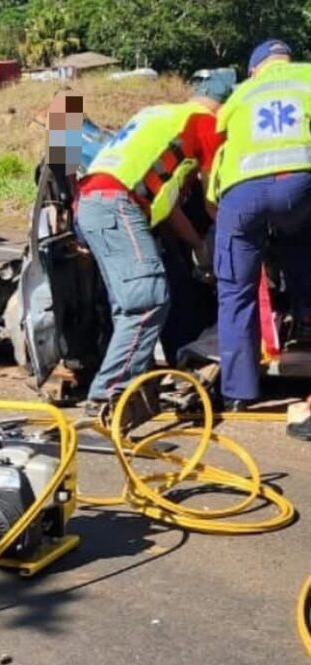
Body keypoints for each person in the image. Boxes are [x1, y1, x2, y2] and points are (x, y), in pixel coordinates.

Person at [73, 74, 234, 419]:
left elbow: (168, 205)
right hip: (118, 204)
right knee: (147, 299)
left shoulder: (157, 115)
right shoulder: (206, 122)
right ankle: (107, 396)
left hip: (93, 204)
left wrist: (196, 245)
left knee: (128, 306)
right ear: (224, 107)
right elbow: (212, 200)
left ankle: (130, 395)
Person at [210, 40, 311, 411]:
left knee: (235, 293)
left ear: (254, 69)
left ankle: (238, 393)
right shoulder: (307, 76)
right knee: (299, 236)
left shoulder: (238, 95)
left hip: (241, 194)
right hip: (301, 182)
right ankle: (304, 320)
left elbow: (216, 160)